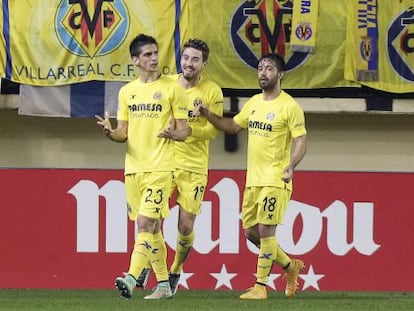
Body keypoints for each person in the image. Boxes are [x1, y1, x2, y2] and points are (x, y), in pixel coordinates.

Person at [193, 53, 307, 299]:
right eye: (260, 68)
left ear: (281, 74)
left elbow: (300, 141)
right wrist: (207, 115)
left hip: (275, 179)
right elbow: (233, 126)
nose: (263, 73)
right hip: (253, 181)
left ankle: (260, 286)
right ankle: (290, 266)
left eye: (269, 68)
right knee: (251, 234)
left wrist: (291, 165)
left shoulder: (290, 107)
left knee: (266, 231)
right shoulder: (254, 103)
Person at [96, 33, 190, 300]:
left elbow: (185, 130)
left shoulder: (173, 89)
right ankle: (163, 285)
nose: (153, 58)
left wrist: (175, 134)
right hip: (133, 169)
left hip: (161, 168)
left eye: (155, 53)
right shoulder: (127, 92)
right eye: (147, 54)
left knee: (145, 223)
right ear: (135, 60)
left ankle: (131, 276)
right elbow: (122, 133)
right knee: (154, 230)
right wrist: (109, 132)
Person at [136, 38, 224, 295]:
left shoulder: (212, 92)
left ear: (203, 64)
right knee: (151, 220)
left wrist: (186, 132)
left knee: (185, 225)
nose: (189, 63)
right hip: (165, 162)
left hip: (194, 166)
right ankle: (147, 266)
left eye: (195, 59)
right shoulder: (167, 85)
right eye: (186, 58)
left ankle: (175, 270)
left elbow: (213, 131)